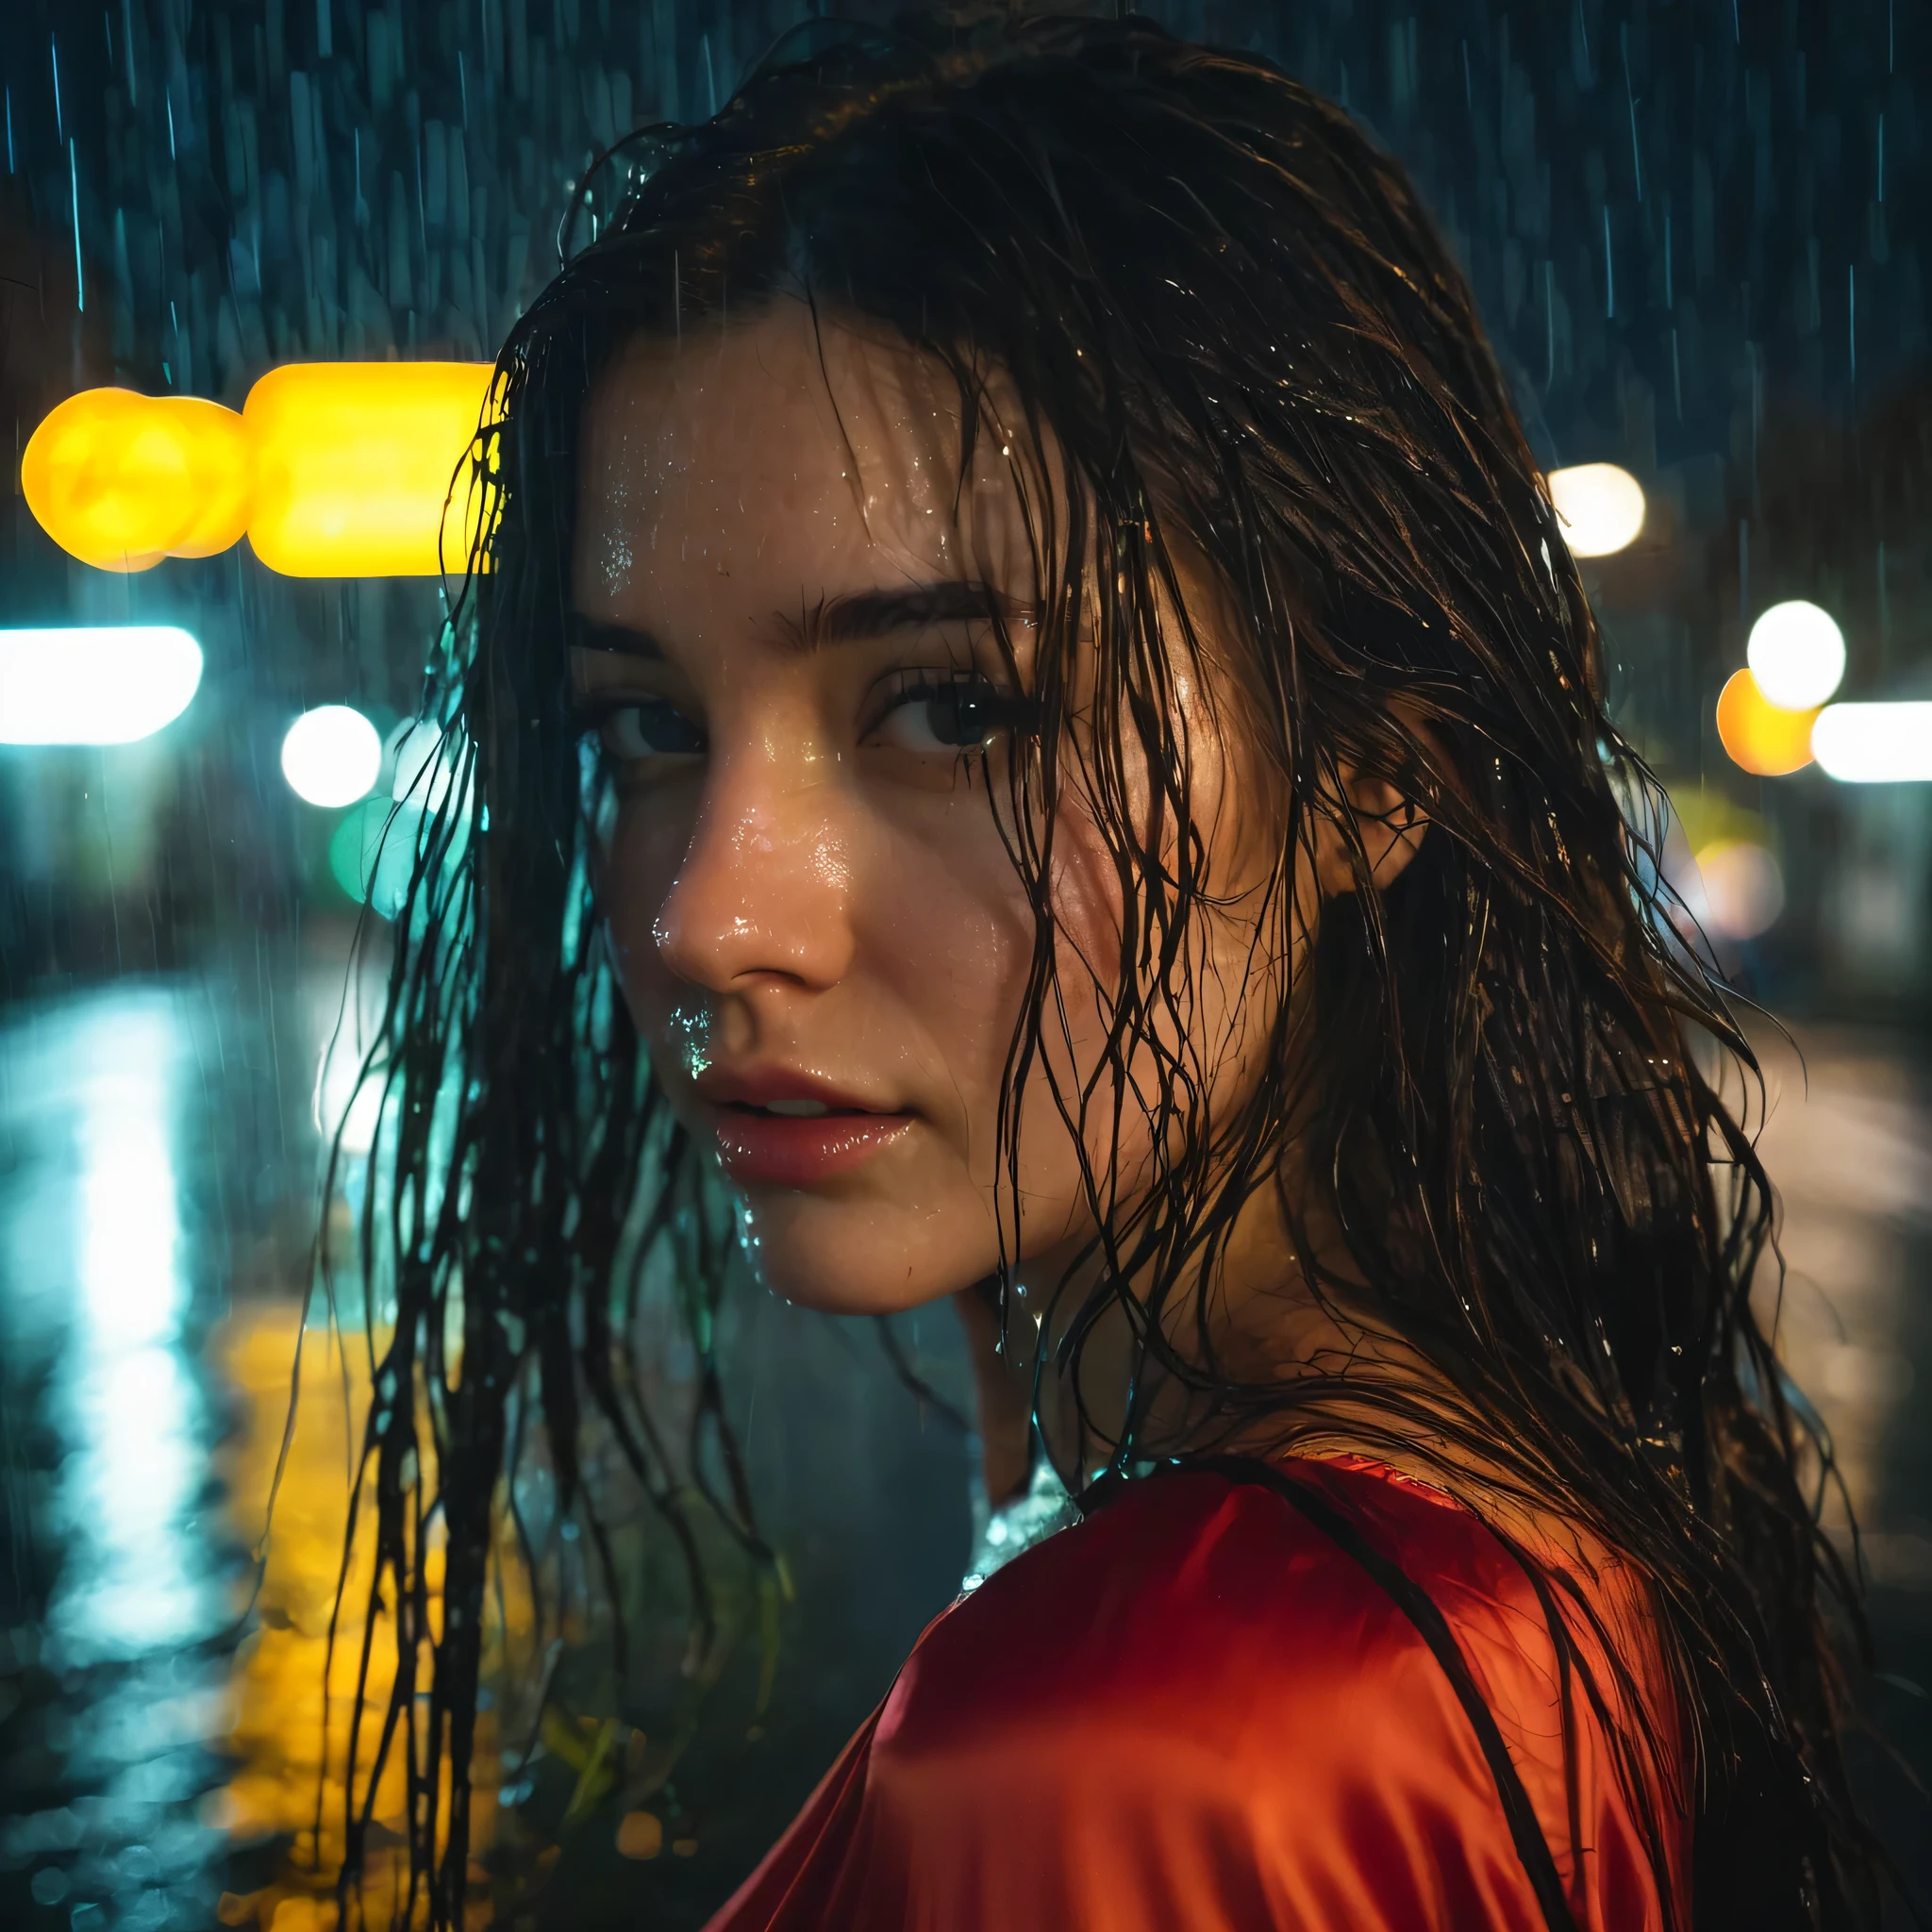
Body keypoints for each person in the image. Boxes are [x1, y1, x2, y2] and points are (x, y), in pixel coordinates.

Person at [344, 13, 1879, 1929]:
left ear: (1374, 764)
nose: (703, 915)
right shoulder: (1519, 1494)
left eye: (950, 704)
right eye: (646, 725)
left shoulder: (1131, 1741)